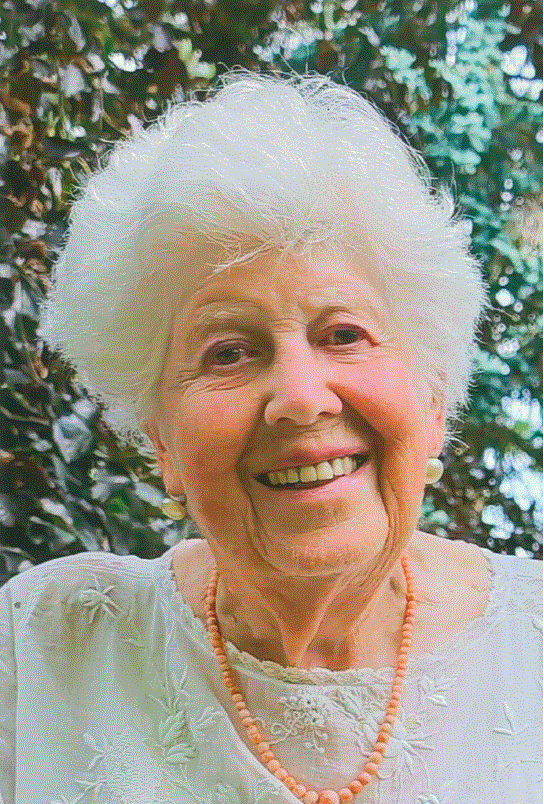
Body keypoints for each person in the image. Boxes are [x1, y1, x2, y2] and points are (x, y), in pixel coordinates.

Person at [0, 71, 541, 804]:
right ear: (161, 439)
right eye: (228, 352)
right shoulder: (43, 648)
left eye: (343, 334)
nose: (299, 399)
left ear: (433, 399)